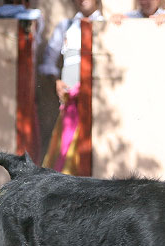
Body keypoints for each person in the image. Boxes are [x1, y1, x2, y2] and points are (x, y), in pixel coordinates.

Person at [38, 0, 103, 174]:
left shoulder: (107, 24)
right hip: (70, 101)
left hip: (99, 104)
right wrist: (56, 82)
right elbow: (48, 61)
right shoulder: (66, 26)